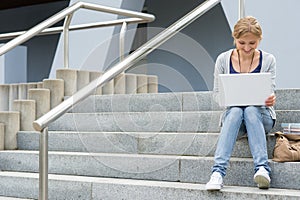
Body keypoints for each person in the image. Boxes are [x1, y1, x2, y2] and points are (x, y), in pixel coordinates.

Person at [205, 16, 276, 191]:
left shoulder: (268, 60)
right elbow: (216, 94)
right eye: (241, 42)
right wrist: (227, 99)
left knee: (251, 109)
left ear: (260, 39)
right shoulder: (223, 60)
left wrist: (269, 99)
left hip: (261, 117)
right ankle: (217, 173)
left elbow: (270, 90)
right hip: (234, 120)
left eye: (252, 43)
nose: (246, 48)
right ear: (234, 38)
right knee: (236, 110)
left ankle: (262, 169)